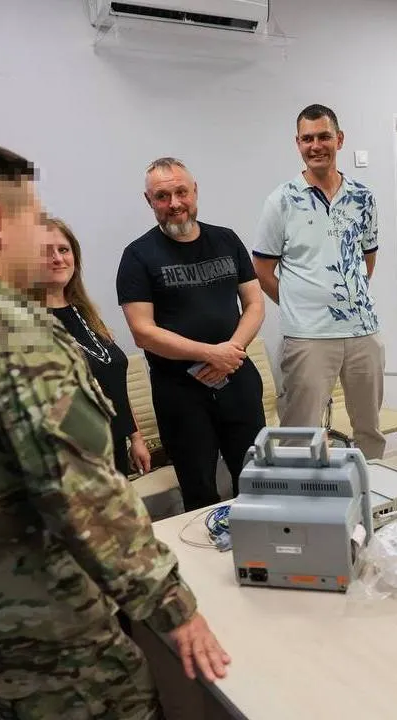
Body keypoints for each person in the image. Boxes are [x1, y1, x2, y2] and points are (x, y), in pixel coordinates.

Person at [0, 141, 229, 719]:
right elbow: (86, 500)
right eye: (32, 217)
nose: (40, 235)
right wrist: (176, 608)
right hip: (44, 626)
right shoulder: (15, 336)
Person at [117, 157, 266, 512]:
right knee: (199, 490)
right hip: (180, 393)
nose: (174, 204)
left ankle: (257, 556)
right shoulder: (137, 256)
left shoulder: (226, 240)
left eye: (181, 192)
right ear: (149, 201)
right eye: (162, 196)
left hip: (238, 378)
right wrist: (209, 354)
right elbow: (143, 332)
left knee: (257, 480)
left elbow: (255, 304)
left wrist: (230, 352)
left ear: (195, 191)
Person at [252, 104, 385, 460]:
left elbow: (366, 258)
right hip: (307, 336)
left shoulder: (363, 197)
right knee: (300, 434)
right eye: (307, 138)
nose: (316, 145)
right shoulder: (281, 200)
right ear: (297, 144)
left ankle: (371, 500)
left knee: (369, 429)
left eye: (323, 136)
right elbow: (262, 269)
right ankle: (302, 512)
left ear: (339, 140)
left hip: (362, 332)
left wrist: (348, 297)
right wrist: (299, 302)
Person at [45, 217, 151, 478]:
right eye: (45, 252)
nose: (57, 258)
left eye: (63, 249)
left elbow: (113, 382)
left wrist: (135, 437)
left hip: (112, 449)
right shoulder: (28, 325)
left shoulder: (86, 314)